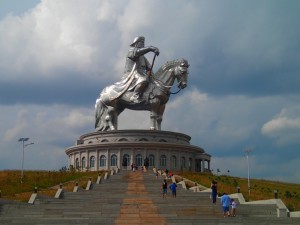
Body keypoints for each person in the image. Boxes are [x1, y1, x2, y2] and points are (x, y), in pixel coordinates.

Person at [123, 36, 160, 103]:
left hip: (141, 73)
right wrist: (150, 48)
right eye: (141, 42)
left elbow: (149, 67)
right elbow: (137, 53)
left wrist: (151, 74)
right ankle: (135, 96)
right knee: (143, 80)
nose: (143, 44)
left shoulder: (142, 57)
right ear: (136, 43)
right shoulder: (131, 51)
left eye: (143, 42)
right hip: (132, 73)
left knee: (153, 82)